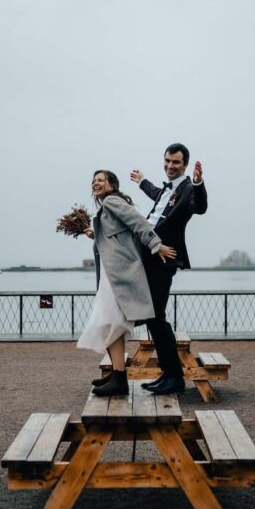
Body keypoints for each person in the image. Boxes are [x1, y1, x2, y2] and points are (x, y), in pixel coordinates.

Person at [77, 170, 176, 396]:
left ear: (112, 185)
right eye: (93, 180)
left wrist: (155, 244)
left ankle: (120, 379)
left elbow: (137, 221)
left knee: (109, 321)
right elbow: (119, 235)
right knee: (107, 322)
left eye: (101, 180)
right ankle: (116, 374)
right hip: (111, 275)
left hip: (118, 274)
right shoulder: (106, 207)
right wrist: (96, 233)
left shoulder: (112, 201)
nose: (96, 183)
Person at [130, 143, 207, 394]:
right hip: (147, 254)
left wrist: (198, 183)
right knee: (153, 316)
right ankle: (168, 373)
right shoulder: (167, 189)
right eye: (167, 161)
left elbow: (200, 207)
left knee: (156, 316)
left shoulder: (187, 189)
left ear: (184, 164)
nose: (170, 166)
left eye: (175, 162)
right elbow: (157, 195)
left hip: (164, 258)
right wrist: (142, 181)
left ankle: (174, 377)